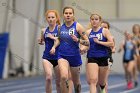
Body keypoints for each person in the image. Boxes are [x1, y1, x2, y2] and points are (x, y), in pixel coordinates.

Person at [52, 6, 89, 93]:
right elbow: (59, 39)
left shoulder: (78, 26)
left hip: (75, 56)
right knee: (64, 77)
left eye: (70, 13)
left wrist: (79, 41)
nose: (68, 15)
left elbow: (87, 42)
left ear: (73, 15)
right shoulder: (60, 27)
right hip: (62, 56)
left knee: (76, 83)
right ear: (63, 15)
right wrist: (54, 47)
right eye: (66, 13)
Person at [85, 14, 114, 93]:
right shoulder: (88, 32)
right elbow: (85, 44)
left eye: (96, 19)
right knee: (93, 81)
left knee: (102, 83)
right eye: (92, 19)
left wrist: (99, 42)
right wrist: (82, 49)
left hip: (103, 57)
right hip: (92, 57)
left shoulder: (105, 31)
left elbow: (111, 43)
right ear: (90, 21)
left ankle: (102, 88)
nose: (94, 21)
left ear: (99, 21)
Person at [38, 10, 61, 93]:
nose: (51, 19)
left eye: (52, 17)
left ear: (56, 18)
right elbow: (43, 41)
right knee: (48, 77)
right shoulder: (43, 30)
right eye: (49, 17)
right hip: (47, 57)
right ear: (46, 19)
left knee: (58, 82)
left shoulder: (60, 28)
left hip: (58, 57)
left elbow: (61, 40)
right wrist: (40, 41)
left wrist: (53, 40)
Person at [100, 21, 115, 93]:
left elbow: (113, 47)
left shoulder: (111, 37)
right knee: (98, 80)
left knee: (104, 79)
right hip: (98, 58)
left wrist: (113, 49)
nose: (104, 29)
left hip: (107, 59)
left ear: (108, 29)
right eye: (102, 27)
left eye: (105, 27)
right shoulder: (97, 36)